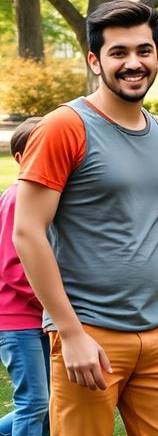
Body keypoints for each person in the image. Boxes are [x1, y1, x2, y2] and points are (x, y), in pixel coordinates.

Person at [12, 0, 158, 436]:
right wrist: (70, 333)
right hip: (90, 333)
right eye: (119, 53)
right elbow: (27, 233)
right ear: (95, 61)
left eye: (143, 51)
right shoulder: (64, 127)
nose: (133, 63)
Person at [1, 117, 47, 436]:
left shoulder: (45, 198)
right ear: (20, 158)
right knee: (33, 402)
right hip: (17, 320)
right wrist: (54, 302)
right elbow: (11, 266)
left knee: (44, 404)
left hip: (40, 317)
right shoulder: (18, 197)